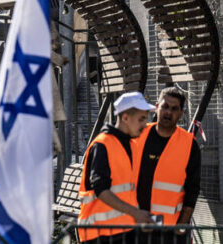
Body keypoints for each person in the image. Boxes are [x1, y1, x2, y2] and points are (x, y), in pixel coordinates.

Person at [78, 91, 155, 243]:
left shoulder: (130, 145)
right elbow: (101, 190)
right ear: (125, 118)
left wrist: (138, 216)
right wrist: (136, 213)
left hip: (123, 230)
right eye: (141, 119)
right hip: (100, 233)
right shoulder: (102, 145)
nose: (144, 125)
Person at [133, 87, 200, 243]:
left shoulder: (189, 145)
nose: (168, 112)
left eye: (174, 109)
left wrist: (181, 228)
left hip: (169, 231)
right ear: (157, 107)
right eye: (165, 107)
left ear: (181, 113)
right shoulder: (137, 135)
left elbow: (193, 190)